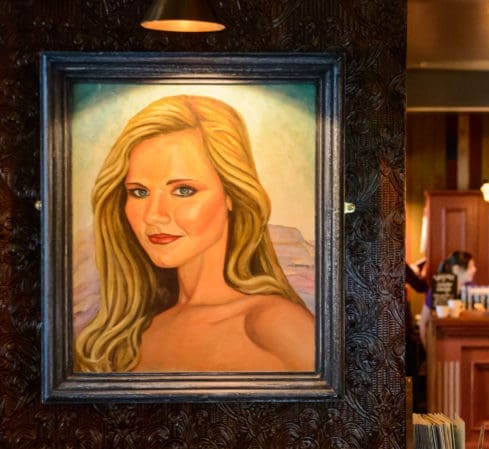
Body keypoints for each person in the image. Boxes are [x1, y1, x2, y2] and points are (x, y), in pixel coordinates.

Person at [75, 95, 315, 373]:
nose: (154, 214)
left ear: (231, 194)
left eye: (184, 190)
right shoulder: (125, 341)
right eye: (139, 192)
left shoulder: (275, 325)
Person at [418, 251, 476, 344]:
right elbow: (423, 324)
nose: (474, 269)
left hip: (466, 343)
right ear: (456, 269)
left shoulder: (472, 288)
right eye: (471, 267)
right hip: (441, 344)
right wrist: (429, 354)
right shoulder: (439, 288)